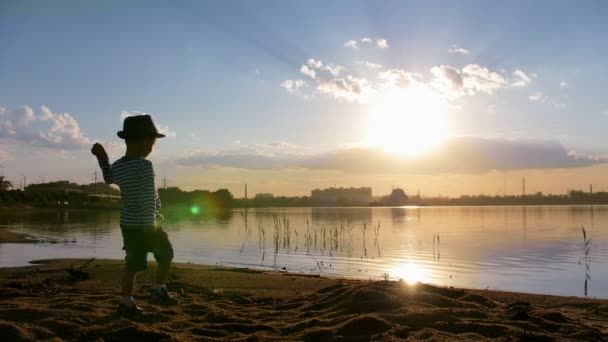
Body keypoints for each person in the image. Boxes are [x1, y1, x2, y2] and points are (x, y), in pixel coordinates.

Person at [91, 114, 179, 316]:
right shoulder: (144, 166)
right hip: (148, 225)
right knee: (166, 255)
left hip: (129, 225)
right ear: (143, 141)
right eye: (152, 142)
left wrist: (101, 157)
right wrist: (155, 219)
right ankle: (158, 290)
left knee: (132, 264)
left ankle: (126, 302)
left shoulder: (119, 166)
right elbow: (149, 196)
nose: (152, 147)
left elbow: (107, 177)